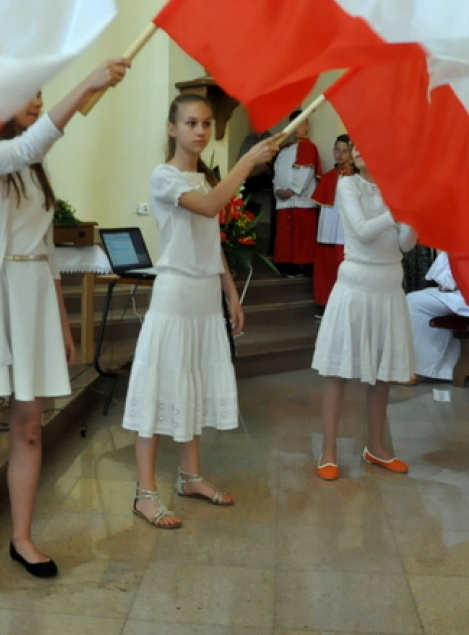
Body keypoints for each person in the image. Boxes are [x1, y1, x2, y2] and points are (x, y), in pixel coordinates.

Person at [0, 58, 129, 595]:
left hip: (34, 303)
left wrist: (61, 323)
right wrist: (87, 85)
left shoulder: (31, 170)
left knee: (29, 428)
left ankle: (21, 537)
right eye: (26, 94)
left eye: (41, 93)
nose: (37, 101)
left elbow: (43, 248)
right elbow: (28, 145)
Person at [123, 93, 281, 529]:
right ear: (173, 129)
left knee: (192, 383)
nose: (200, 131)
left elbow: (211, 238)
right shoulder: (165, 177)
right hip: (174, 297)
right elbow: (212, 208)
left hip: (205, 297)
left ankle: (190, 477)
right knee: (160, 390)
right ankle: (144, 493)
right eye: (191, 123)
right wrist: (247, 161)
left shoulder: (206, 179)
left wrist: (230, 291)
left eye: (206, 124)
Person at [311, 141, 416, 479]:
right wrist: (400, 208)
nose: (357, 150)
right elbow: (362, 231)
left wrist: (414, 210)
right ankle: (328, 451)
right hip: (355, 284)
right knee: (337, 371)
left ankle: (376, 447)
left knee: (382, 374)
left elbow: (405, 243)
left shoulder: (397, 189)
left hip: (388, 286)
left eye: (367, 143)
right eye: (354, 145)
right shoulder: (347, 184)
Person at [406, 251, 469, 382]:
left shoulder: (461, 244)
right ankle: (446, 368)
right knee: (430, 301)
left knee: (413, 301)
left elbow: (446, 285)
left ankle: (420, 367)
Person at [272, 110, 320, 277]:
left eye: (300, 123)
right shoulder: (284, 150)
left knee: (301, 235)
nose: (297, 128)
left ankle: (302, 265)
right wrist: (278, 190)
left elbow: (306, 171)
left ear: (306, 126)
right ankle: (286, 265)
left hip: (300, 200)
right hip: (284, 200)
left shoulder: (308, 147)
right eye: (294, 124)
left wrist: (292, 190)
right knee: (286, 234)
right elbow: (277, 172)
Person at [311, 134, 352, 317]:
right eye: (337, 150)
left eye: (345, 151)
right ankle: (325, 304)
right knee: (326, 267)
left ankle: (344, 307)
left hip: (347, 232)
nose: (340, 154)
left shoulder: (357, 178)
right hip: (328, 230)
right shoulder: (328, 177)